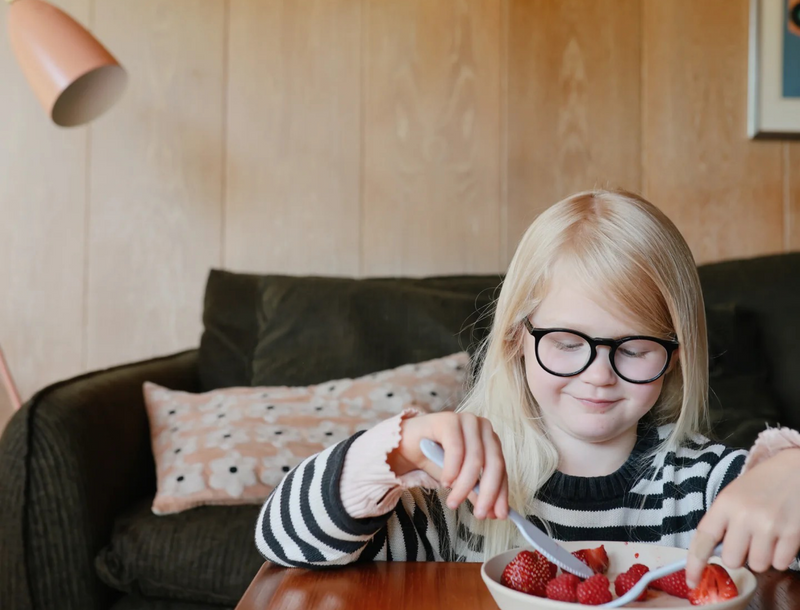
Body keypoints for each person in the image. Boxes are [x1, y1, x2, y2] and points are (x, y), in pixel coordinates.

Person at [255, 189, 800, 584]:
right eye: (567, 342)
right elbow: (283, 541)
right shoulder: (459, 494)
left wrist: (790, 473)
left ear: (675, 357)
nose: (599, 374)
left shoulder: (702, 490)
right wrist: (394, 450)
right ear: (517, 339)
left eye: (633, 348)